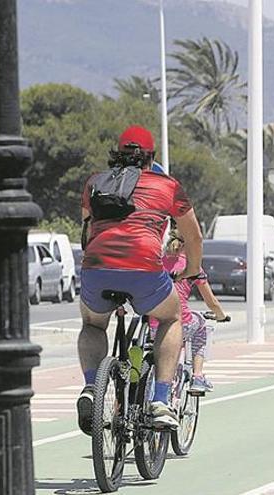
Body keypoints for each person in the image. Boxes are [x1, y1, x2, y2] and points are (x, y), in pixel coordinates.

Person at [77, 125, 202, 433]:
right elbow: (193, 236)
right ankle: (161, 400)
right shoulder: (167, 186)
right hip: (144, 267)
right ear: (151, 158)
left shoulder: (94, 182)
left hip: (97, 266)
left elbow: (86, 228)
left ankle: (92, 387)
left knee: (93, 324)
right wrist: (192, 269)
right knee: (172, 318)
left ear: (116, 155)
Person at [159, 228, 227, 393]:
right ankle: (198, 376)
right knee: (202, 325)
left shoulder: (159, 262)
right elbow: (212, 302)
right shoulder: (193, 268)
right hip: (181, 323)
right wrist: (221, 316)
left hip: (154, 323)